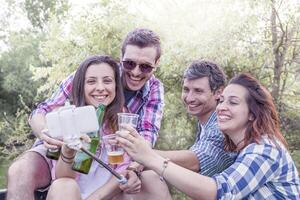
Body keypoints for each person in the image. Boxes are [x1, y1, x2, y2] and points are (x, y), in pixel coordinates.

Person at [6, 28, 165, 199]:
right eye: (129, 64)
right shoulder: (92, 72)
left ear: (156, 64)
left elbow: (145, 141)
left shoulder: (143, 100)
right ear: (121, 58)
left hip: (110, 161)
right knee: (23, 171)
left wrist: (133, 168)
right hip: (61, 147)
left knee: (152, 178)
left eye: (146, 67)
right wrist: (48, 135)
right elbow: (43, 110)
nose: (135, 72)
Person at [116, 73, 300, 199]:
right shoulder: (237, 150)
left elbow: (219, 192)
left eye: (233, 102)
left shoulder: (265, 149)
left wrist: (151, 157)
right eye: (221, 101)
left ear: (252, 113)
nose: (221, 107)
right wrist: (141, 164)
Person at [117, 59, 237, 200]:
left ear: (218, 93)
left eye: (198, 91)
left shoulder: (221, 125)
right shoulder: (204, 124)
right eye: (186, 89)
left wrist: (143, 154)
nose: (190, 98)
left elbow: (196, 160)